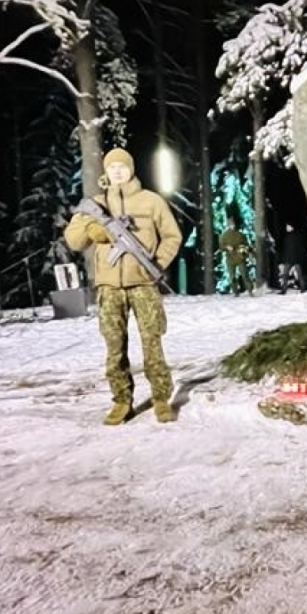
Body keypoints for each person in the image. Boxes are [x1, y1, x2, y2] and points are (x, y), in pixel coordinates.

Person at [64, 148, 182, 424]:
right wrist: (92, 230)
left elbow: (172, 236)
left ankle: (161, 399)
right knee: (114, 345)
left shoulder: (151, 201)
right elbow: (73, 240)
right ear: (106, 171)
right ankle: (121, 401)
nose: (118, 171)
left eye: (123, 166)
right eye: (112, 167)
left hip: (144, 284)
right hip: (109, 287)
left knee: (152, 342)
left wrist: (157, 264)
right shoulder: (95, 203)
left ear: (131, 169)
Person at [219, 216, 253, 295]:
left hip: (240, 257)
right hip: (230, 258)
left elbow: (246, 245)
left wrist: (244, 249)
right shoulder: (224, 235)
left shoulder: (240, 234)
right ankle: (235, 292)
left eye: (233, 224)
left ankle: (250, 290)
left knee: (245, 275)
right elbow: (221, 247)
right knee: (232, 276)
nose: (232, 225)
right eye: (231, 224)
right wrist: (226, 247)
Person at [277, 222, 307, 293]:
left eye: (288, 226)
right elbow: (286, 249)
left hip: (292, 258)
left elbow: (292, 248)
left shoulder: (293, 237)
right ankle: (285, 290)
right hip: (292, 258)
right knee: (287, 274)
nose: (287, 228)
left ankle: (286, 290)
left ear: (292, 227)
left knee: (291, 274)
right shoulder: (288, 236)